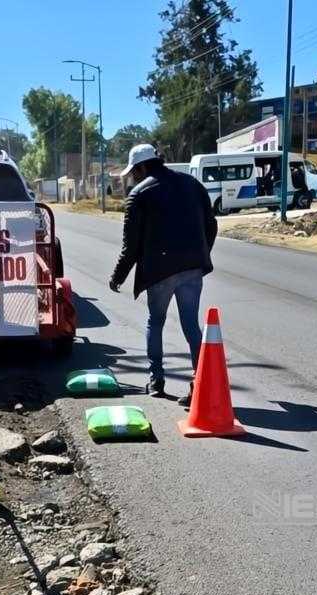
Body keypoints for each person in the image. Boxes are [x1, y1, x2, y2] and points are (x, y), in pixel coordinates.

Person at [109, 144, 217, 406]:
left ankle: (156, 381)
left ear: (142, 167)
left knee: (155, 322)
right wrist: (200, 254)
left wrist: (118, 276)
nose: (132, 176)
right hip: (192, 268)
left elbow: (130, 246)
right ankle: (199, 386)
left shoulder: (139, 194)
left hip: (159, 273)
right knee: (191, 325)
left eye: (133, 171)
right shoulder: (192, 184)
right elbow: (211, 225)